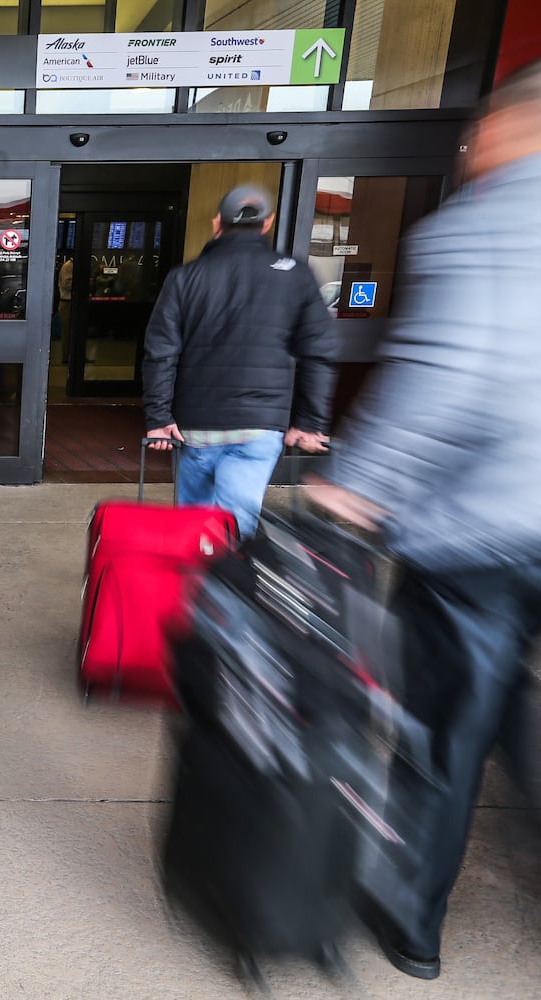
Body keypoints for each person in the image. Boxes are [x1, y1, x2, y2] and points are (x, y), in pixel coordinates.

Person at [308, 61, 541, 981]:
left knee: (444, 730)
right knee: (516, 716)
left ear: (504, 132)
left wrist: (352, 485)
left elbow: (445, 379)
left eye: (474, 134)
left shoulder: (484, 228)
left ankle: (411, 918)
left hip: (480, 536)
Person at [142, 185, 337, 536]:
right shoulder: (296, 275)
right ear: (268, 223)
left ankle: (194, 583)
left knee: (192, 527)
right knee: (234, 528)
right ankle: (224, 579)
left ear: (218, 222)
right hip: (261, 425)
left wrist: (159, 418)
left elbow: (160, 351)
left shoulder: (186, 277)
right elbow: (318, 352)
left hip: (198, 425)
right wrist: (309, 420)